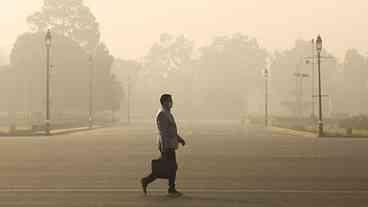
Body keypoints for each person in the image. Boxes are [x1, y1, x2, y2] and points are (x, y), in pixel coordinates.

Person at [141, 94, 186, 196]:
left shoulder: (168, 113)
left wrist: (179, 139)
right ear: (164, 102)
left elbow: (172, 130)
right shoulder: (162, 114)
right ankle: (171, 188)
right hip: (166, 146)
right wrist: (165, 147)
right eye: (169, 101)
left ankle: (147, 181)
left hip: (170, 145)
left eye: (171, 101)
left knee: (168, 167)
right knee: (171, 167)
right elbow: (163, 133)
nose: (171, 103)